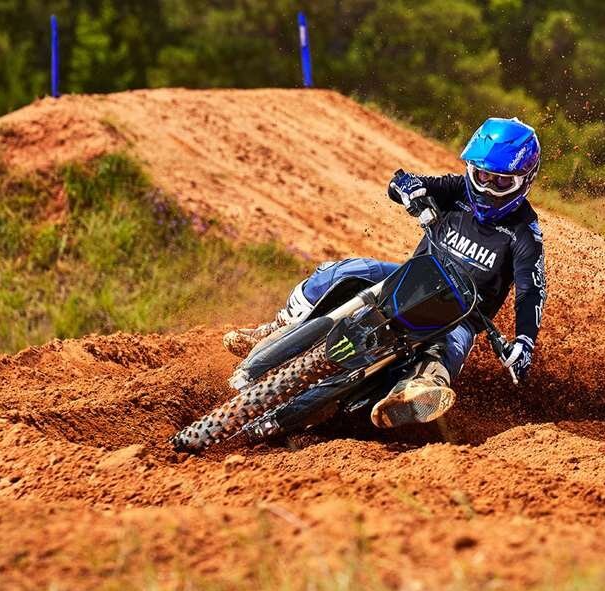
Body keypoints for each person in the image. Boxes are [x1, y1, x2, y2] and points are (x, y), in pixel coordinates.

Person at [224, 117, 546, 429]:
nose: (488, 187)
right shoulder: (458, 189)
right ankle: (281, 326)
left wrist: (524, 342)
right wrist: (407, 187)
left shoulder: (524, 234)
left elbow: (531, 291)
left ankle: (413, 395)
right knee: (349, 270)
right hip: (410, 280)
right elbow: (401, 183)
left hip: (461, 317)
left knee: (446, 350)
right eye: (482, 175)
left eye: (501, 181)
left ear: (525, 180)